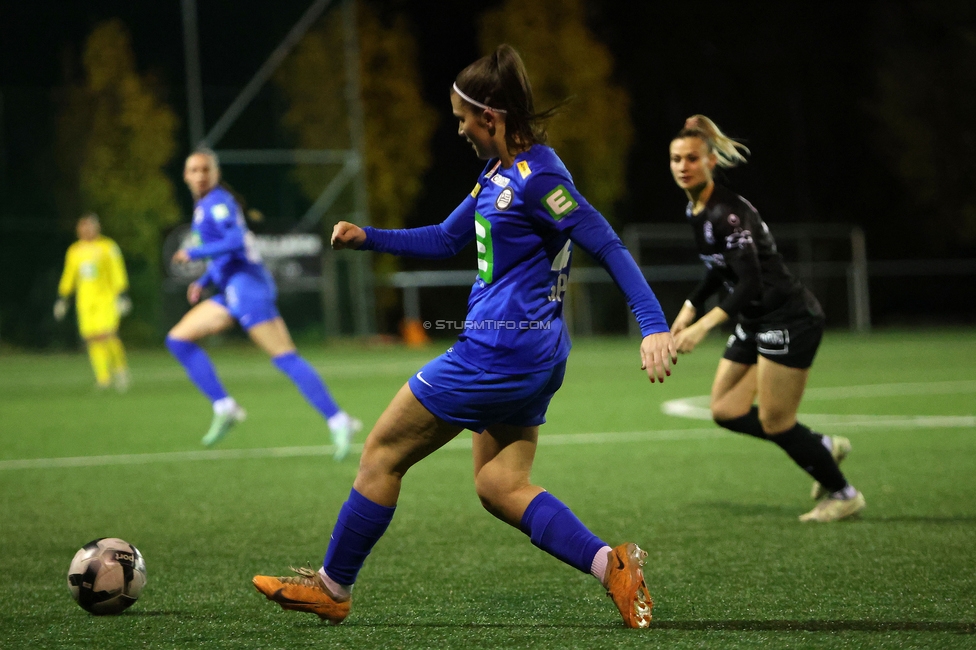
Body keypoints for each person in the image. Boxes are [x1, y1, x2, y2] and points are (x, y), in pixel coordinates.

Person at [252, 44, 677, 629]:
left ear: (491, 118)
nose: (458, 129)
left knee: (379, 455)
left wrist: (652, 324)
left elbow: (605, 242)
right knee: (500, 485)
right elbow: (448, 238)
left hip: (495, 354)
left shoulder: (539, 178)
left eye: (461, 118)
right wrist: (367, 238)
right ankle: (613, 566)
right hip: (533, 355)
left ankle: (333, 587)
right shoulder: (497, 174)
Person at [667, 115, 865, 523]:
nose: (683, 166)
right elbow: (717, 268)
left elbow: (751, 280)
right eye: (675, 159)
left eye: (691, 158)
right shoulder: (696, 208)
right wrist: (690, 306)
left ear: (710, 162)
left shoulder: (726, 212)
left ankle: (844, 492)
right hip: (755, 319)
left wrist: (704, 325)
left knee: (777, 422)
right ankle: (821, 445)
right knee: (725, 410)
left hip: (788, 317)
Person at [167, 148, 360, 456]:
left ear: (216, 174)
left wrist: (193, 253)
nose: (200, 174)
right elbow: (225, 255)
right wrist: (203, 281)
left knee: (285, 358)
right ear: (186, 175)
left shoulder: (218, 203)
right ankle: (225, 406)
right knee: (178, 339)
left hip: (249, 289)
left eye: (206, 169)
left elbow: (236, 242)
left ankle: (339, 420)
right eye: (194, 169)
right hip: (232, 290)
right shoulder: (203, 207)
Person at [54, 213, 131, 392]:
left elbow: (116, 271)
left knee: (108, 334)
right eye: (82, 227)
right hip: (85, 301)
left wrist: (122, 295)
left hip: (106, 299)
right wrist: (62, 298)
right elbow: (69, 276)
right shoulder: (74, 251)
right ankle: (103, 377)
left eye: (89, 226)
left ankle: (121, 371)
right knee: (92, 338)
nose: (85, 230)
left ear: (97, 227)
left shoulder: (107, 247)